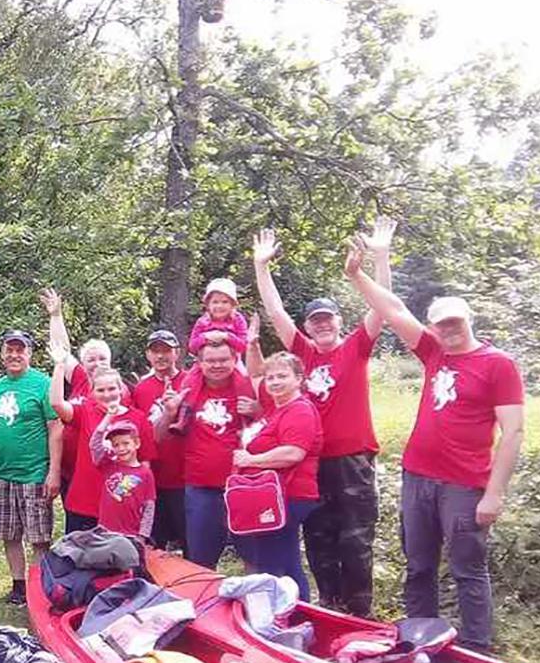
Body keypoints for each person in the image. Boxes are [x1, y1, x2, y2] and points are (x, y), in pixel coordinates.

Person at [347, 259, 525, 651]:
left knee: (467, 568)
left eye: (454, 322)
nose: (448, 330)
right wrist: (357, 275)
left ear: (468, 320)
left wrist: (494, 493)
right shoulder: (433, 352)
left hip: (464, 483)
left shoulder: (498, 364)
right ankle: (418, 641)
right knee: (419, 566)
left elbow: (513, 432)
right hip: (417, 477)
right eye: (441, 324)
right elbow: (393, 309)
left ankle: (477, 648)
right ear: (433, 327)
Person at [252, 222, 395, 615]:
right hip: (311, 463)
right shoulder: (303, 354)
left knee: (355, 538)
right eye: (315, 321)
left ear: (339, 321)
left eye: (327, 319)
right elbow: (276, 311)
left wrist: (380, 257)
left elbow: (383, 305)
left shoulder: (356, 348)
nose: (322, 325)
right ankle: (329, 605)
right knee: (318, 537)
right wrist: (261, 267)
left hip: (352, 460)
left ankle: (359, 610)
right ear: (307, 327)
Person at [155, 339, 256, 569]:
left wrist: (258, 409)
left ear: (235, 360)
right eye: (210, 361)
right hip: (201, 488)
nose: (217, 365)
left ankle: (257, 593)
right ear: (199, 363)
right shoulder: (187, 393)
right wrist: (169, 413)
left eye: (223, 360)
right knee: (201, 561)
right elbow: (158, 437)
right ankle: (207, 594)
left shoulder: (248, 388)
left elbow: (273, 426)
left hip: (243, 484)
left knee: (254, 557)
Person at [230, 353, 324, 597]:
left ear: (299, 379)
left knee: (278, 564)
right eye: (270, 377)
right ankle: (290, 610)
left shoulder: (300, 410)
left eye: (282, 376)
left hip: (289, 496)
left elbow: (294, 452)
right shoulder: (276, 410)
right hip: (271, 498)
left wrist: (251, 460)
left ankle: (294, 611)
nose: (275, 382)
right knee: (280, 559)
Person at [41, 287, 136, 515]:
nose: (97, 363)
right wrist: (56, 316)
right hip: (71, 469)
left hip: (102, 470)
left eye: (102, 358)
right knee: (76, 518)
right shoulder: (81, 379)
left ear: (110, 362)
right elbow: (62, 353)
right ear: (83, 364)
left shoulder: (118, 390)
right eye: (91, 359)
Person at [0, 329, 62, 605]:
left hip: (35, 472)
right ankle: (18, 586)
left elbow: (55, 427)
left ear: (29, 353)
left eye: (20, 350)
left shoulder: (42, 384)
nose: (14, 355)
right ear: (2, 354)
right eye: (10, 350)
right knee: (10, 533)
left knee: (39, 537)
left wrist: (54, 471)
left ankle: (39, 587)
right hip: (3, 473)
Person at [50, 357, 152, 533]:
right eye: (100, 390)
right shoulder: (85, 411)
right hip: (84, 502)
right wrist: (59, 366)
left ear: (121, 389)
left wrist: (137, 500)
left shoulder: (138, 418)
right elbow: (57, 403)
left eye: (112, 388)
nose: (107, 394)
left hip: (120, 505)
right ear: (92, 392)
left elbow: (145, 463)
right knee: (80, 549)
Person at [130, 330, 188, 552]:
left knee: (190, 541)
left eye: (166, 350)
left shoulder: (189, 382)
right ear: (148, 355)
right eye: (155, 351)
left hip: (185, 476)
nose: (161, 356)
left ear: (177, 353)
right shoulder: (141, 389)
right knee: (154, 542)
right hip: (154, 477)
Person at [86, 413, 157, 539]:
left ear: (137, 443)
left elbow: (149, 506)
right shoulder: (108, 465)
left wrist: (143, 536)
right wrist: (109, 416)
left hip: (131, 534)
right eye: (116, 445)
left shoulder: (145, 473)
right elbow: (94, 445)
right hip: (106, 532)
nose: (121, 448)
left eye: (126, 443)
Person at [187, 278, 250, 362]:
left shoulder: (238, 320)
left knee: (241, 371)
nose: (219, 306)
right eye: (215, 302)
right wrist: (206, 337)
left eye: (225, 302)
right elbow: (192, 347)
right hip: (206, 362)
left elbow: (244, 346)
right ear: (208, 305)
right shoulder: (202, 321)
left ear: (233, 304)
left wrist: (227, 337)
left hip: (232, 363)